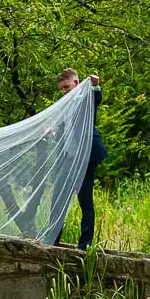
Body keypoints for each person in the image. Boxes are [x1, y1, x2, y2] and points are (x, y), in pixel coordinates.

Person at [55, 68, 108, 251]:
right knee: (58, 197)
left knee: (85, 200)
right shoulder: (64, 103)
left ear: (76, 83)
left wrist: (95, 85)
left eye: (67, 87)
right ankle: (53, 241)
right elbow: (64, 129)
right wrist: (53, 132)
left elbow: (96, 99)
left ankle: (85, 245)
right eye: (62, 88)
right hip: (68, 157)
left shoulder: (85, 98)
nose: (65, 91)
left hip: (86, 156)